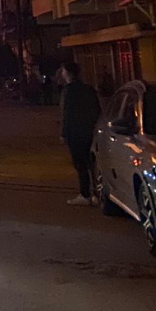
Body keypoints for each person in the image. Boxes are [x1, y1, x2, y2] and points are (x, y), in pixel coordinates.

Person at [58, 61, 102, 206]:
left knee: (80, 164)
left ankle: (85, 194)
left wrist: (64, 133)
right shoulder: (88, 89)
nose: (62, 74)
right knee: (92, 164)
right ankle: (97, 194)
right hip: (90, 131)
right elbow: (97, 110)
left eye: (63, 71)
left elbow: (67, 114)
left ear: (68, 73)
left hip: (75, 133)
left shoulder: (68, 91)